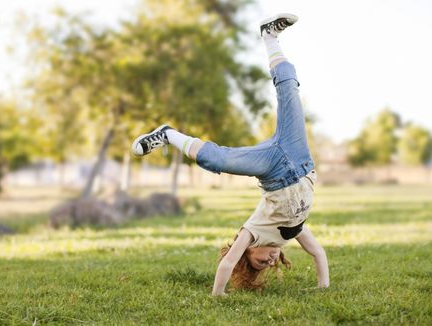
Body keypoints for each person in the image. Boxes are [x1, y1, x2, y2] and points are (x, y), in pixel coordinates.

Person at [131, 13, 329, 295]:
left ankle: (168, 135)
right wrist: (323, 287)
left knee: (218, 160)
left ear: (249, 251)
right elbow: (318, 254)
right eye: (268, 264)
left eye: (259, 262)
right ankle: (270, 37)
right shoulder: (293, 231)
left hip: (272, 169)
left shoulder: (253, 231)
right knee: (290, 91)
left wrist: (218, 293)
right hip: (299, 158)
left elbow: (227, 264)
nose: (269, 260)